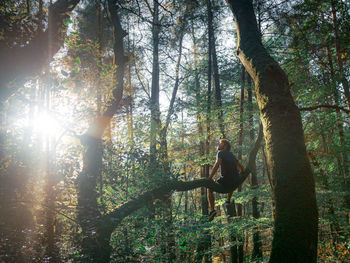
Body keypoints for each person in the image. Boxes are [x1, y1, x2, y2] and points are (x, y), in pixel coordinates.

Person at [208, 139, 244, 221]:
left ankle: (212, 210)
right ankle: (228, 200)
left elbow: (217, 164)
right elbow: (241, 167)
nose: (218, 145)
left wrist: (210, 178)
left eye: (220, 144)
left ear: (224, 146)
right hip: (235, 182)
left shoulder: (220, 153)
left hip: (226, 181)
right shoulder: (231, 155)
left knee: (209, 189)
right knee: (232, 176)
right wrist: (241, 173)